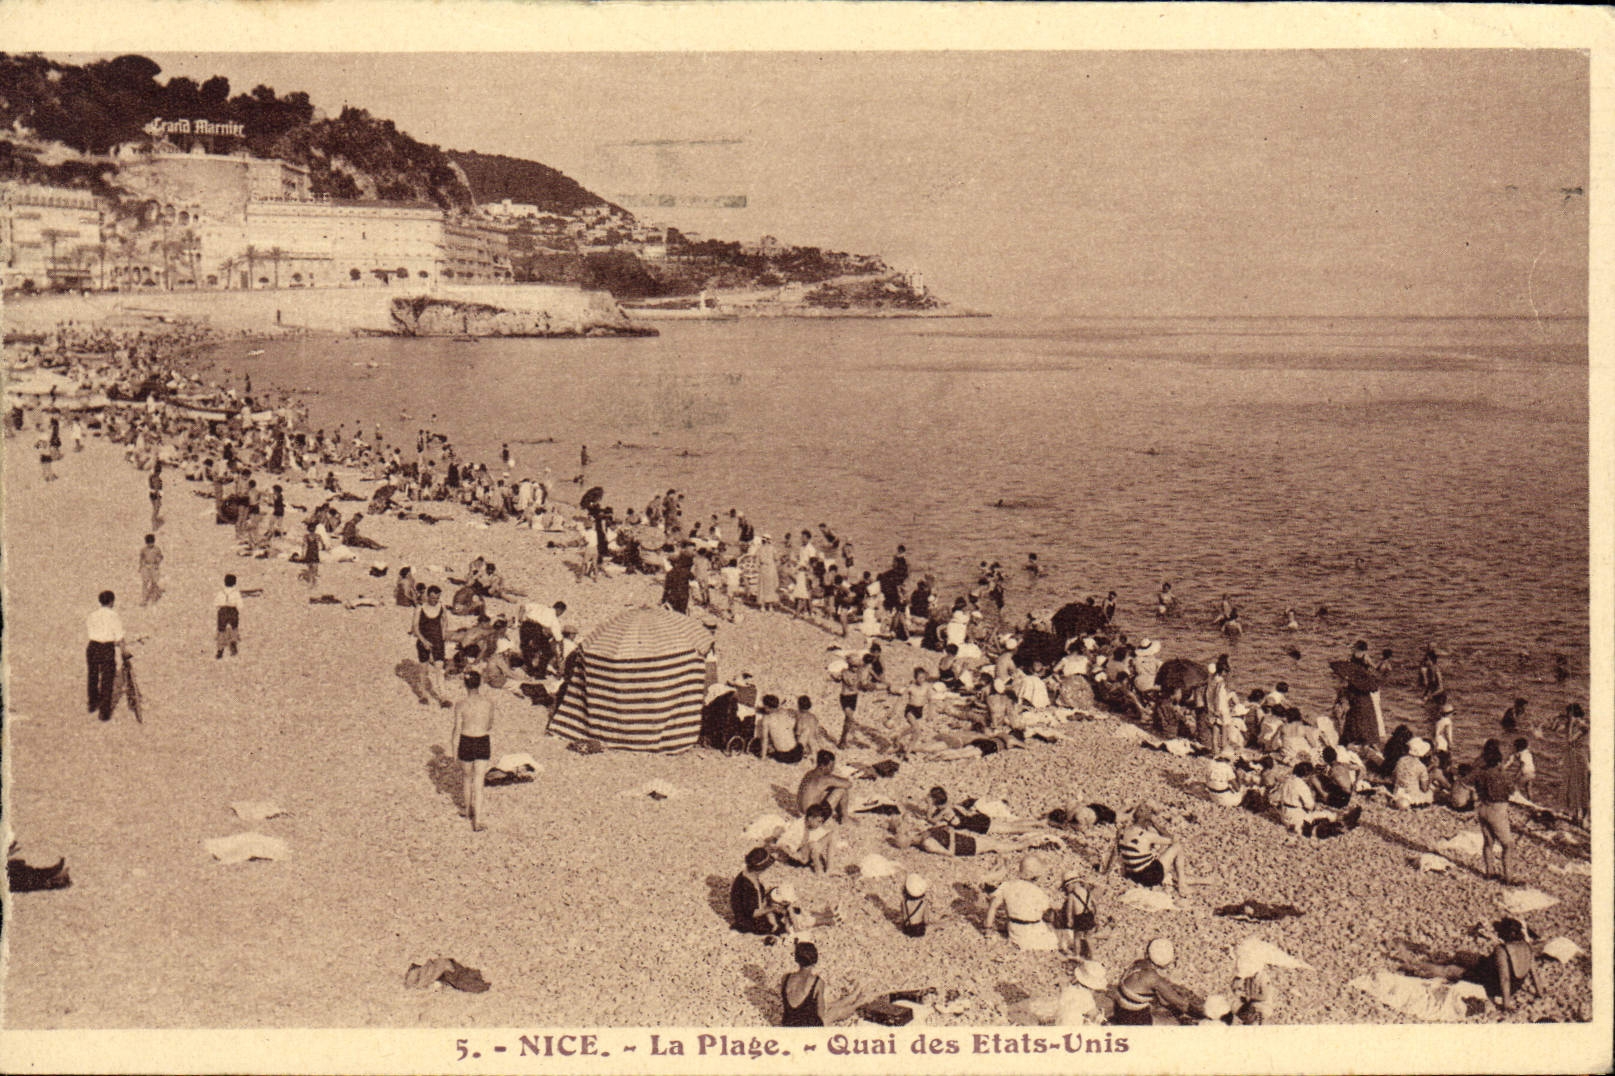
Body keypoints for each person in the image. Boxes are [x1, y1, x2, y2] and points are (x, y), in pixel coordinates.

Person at [1392, 917, 1544, 1012]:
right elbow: (1534, 974)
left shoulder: (1502, 950)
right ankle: (1438, 959)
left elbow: (1504, 979)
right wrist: (1540, 993)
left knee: (1450, 970)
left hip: (1492, 982)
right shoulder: (1527, 947)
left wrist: (1506, 1004)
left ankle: (1414, 963)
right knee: (1462, 955)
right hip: (1505, 978)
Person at [1102, 803, 1204, 893]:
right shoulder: (1146, 835)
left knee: (1157, 853)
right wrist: (1155, 824)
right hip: (1150, 877)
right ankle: (1182, 886)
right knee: (1177, 847)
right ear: (1147, 819)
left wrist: (1106, 872)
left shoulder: (1123, 831)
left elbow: (1115, 852)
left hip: (1134, 876)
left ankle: (1182, 878)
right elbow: (1172, 840)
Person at [780, 941, 878, 1027]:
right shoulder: (816, 982)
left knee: (822, 1004)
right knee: (835, 1012)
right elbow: (821, 1014)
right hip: (808, 1029)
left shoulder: (785, 977)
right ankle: (858, 1002)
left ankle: (852, 996)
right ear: (815, 960)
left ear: (796, 959)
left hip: (788, 1024)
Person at [1112, 939, 1199, 1026]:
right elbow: (1181, 1003)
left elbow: (1162, 1000)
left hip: (1120, 1012)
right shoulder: (1154, 978)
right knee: (1178, 1024)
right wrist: (1203, 1013)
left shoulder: (1137, 964)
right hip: (1135, 1021)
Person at [984, 853, 1061, 950]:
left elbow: (993, 906)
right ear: (1035, 874)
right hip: (1033, 934)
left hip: (1015, 933)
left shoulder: (1007, 886)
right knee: (1059, 936)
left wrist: (987, 930)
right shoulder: (1038, 892)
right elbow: (1049, 916)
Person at [451, 669, 494, 832]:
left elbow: (456, 729)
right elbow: (490, 724)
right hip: (482, 739)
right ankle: (478, 820)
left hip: (466, 740)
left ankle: (467, 810)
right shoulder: (488, 703)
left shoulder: (460, 704)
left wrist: (454, 752)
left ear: (465, 684)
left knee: (467, 778)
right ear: (480, 683)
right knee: (479, 780)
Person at [1475, 738, 1517, 883]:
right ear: (1499, 760)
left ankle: (1489, 872)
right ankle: (1508, 878)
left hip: (1482, 808)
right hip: (1497, 811)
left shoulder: (1481, 773)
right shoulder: (1502, 775)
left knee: (1488, 842)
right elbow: (1512, 791)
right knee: (1508, 845)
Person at [85, 590, 125, 722]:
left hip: (93, 646)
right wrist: (124, 651)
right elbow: (119, 637)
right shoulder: (114, 616)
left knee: (93, 676)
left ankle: (92, 703)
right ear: (112, 602)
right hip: (106, 648)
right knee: (107, 679)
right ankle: (104, 712)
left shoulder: (92, 615)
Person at [731, 847, 787, 935]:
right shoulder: (747, 886)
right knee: (784, 922)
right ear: (761, 868)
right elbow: (753, 913)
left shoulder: (747, 874)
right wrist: (772, 908)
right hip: (749, 921)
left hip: (755, 909)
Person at [797, 750, 851, 822]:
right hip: (813, 817)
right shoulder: (825, 779)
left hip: (800, 813)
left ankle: (840, 815)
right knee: (842, 790)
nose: (832, 769)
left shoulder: (810, 773)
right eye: (831, 766)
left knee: (829, 789)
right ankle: (845, 819)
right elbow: (848, 784)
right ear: (822, 765)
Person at [757, 695, 804, 764]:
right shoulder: (786, 712)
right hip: (797, 754)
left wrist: (763, 758)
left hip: (783, 757)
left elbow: (765, 739)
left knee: (770, 748)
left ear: (767, 707)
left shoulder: (766, 719)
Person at [412, 585, 447, 665]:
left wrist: (443, 633)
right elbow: (415, 627)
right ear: (427, 596)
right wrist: (424, 641)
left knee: (439, 666)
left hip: (437, 639)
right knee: (424, 668)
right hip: (424, 639)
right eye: (433, 598)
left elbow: (445, 619)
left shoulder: (441, 606)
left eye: (437, 598)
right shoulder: (420, 608)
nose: (435, 601)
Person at [835, 655, 864, 748]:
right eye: (853, 666)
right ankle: (844, 740)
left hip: (854, 697)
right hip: (845, 697)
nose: (855, 668)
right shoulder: (845, 673)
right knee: (850, 718)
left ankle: (842, 740)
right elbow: (851, 684)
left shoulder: (858, 673)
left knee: (847, 721)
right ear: (849, 665)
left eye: (857, 666)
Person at [214, 574, 242, 659]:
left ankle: (220, 649)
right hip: (233, 610)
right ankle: (233, 641)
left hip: (223, 611)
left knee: (221, 630)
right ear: (235, 583)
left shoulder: (221, 592)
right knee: (234, 627)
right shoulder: (236, 592)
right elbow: (240, 605)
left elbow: (216, 603)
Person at [137, 533, 164, 606]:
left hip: (154, 566)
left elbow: (161, 557)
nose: (150, 544)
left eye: (151, 543)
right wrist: (140, 566)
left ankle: (154, 599)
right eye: (148, 543)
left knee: (154, 583)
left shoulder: (157, 549)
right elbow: (141, 558)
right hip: (146, 566)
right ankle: (144, 599)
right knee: (145, 583)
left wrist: (157, 563)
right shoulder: (143, 550)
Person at [1508, 737, 1537, 802]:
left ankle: (1516, 799)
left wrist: (1517, 775)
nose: (1513, 747)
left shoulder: (1522, 754)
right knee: (1528, 788)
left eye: (1514, 746)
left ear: (1519, 748)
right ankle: (1530, 800)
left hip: (1526, 773)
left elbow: (1522, 766)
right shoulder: (1527, 753)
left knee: (1516, 785)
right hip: (1532, 773)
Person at [297, 522, 321, 587]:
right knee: (315, 567)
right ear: (315, 529)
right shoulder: (318, 536)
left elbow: (304, 545)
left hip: (309, 552)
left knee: (310, 567)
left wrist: (303, 554)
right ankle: (314, 581)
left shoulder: (306, 536)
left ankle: (311, 581)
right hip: (315, 552)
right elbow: (321, 545)